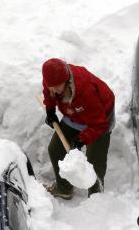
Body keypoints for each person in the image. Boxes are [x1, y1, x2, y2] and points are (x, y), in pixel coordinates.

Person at [42, 58, 115, 199]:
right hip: (74, 114)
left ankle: (96, 199)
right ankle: (64, 189)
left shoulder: (86, 90)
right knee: (55, 149)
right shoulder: (51, 81)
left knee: (94, 163)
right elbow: (48, 93)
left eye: (58, 86)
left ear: (67, 80)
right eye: (51, 86)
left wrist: (82, 139)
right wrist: (50, 111)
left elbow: (100, 125)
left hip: (100, 118)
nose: (54, 90)